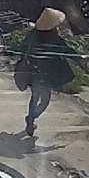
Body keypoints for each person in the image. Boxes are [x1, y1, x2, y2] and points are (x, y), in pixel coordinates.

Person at [22, 8, 78, 137]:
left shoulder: (33, 35)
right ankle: (31, 118)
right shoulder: (53, 38)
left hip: (32, 72)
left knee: (34, 97)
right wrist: (80, 58)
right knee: (45, 101)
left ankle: (30, 119)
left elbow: (23, 47)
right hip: (46, 74)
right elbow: (66, 50)